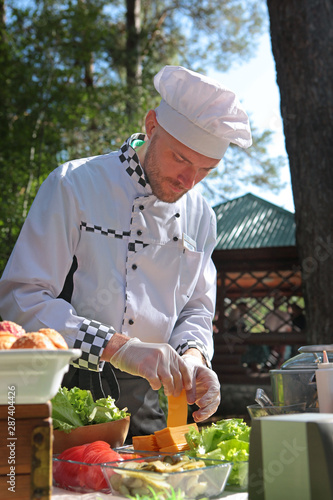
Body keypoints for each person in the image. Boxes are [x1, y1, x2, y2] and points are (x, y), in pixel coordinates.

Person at [0, 66, 252, 439]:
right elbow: (20, 300)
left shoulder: (202, 215)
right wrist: (117, 348)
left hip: (146, 399)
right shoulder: (74, 184)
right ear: (151, 126)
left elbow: (197, 306)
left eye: (205, 170)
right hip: (64, 390)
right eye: (180, 159)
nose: (188, 181)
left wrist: (194, 357)